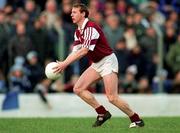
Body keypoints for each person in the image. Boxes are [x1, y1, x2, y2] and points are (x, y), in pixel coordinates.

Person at [53, 3, 144, 128]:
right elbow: (75, 52)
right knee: (78, 89)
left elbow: (84, 51)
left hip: (107, 61)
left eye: (74, 12)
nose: (71, 14)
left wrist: (64, 64)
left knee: (112, 97)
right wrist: (63, 63)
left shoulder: (91, 27)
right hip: (96, 63)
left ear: (83, 13)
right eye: (71, 12)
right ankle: (102, 113)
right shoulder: (78, 32)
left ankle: (137, 120)